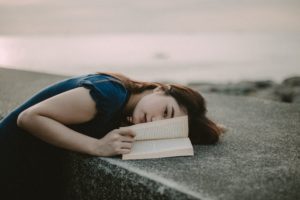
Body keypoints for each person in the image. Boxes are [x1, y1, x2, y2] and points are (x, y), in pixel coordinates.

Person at [0, 72, 224, 199]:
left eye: (166, 124)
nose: (155, 122)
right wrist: (96, 147)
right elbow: (29, 118)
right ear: (161, 89)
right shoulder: (109, 94)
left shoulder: (124, 107)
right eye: (166, 111)